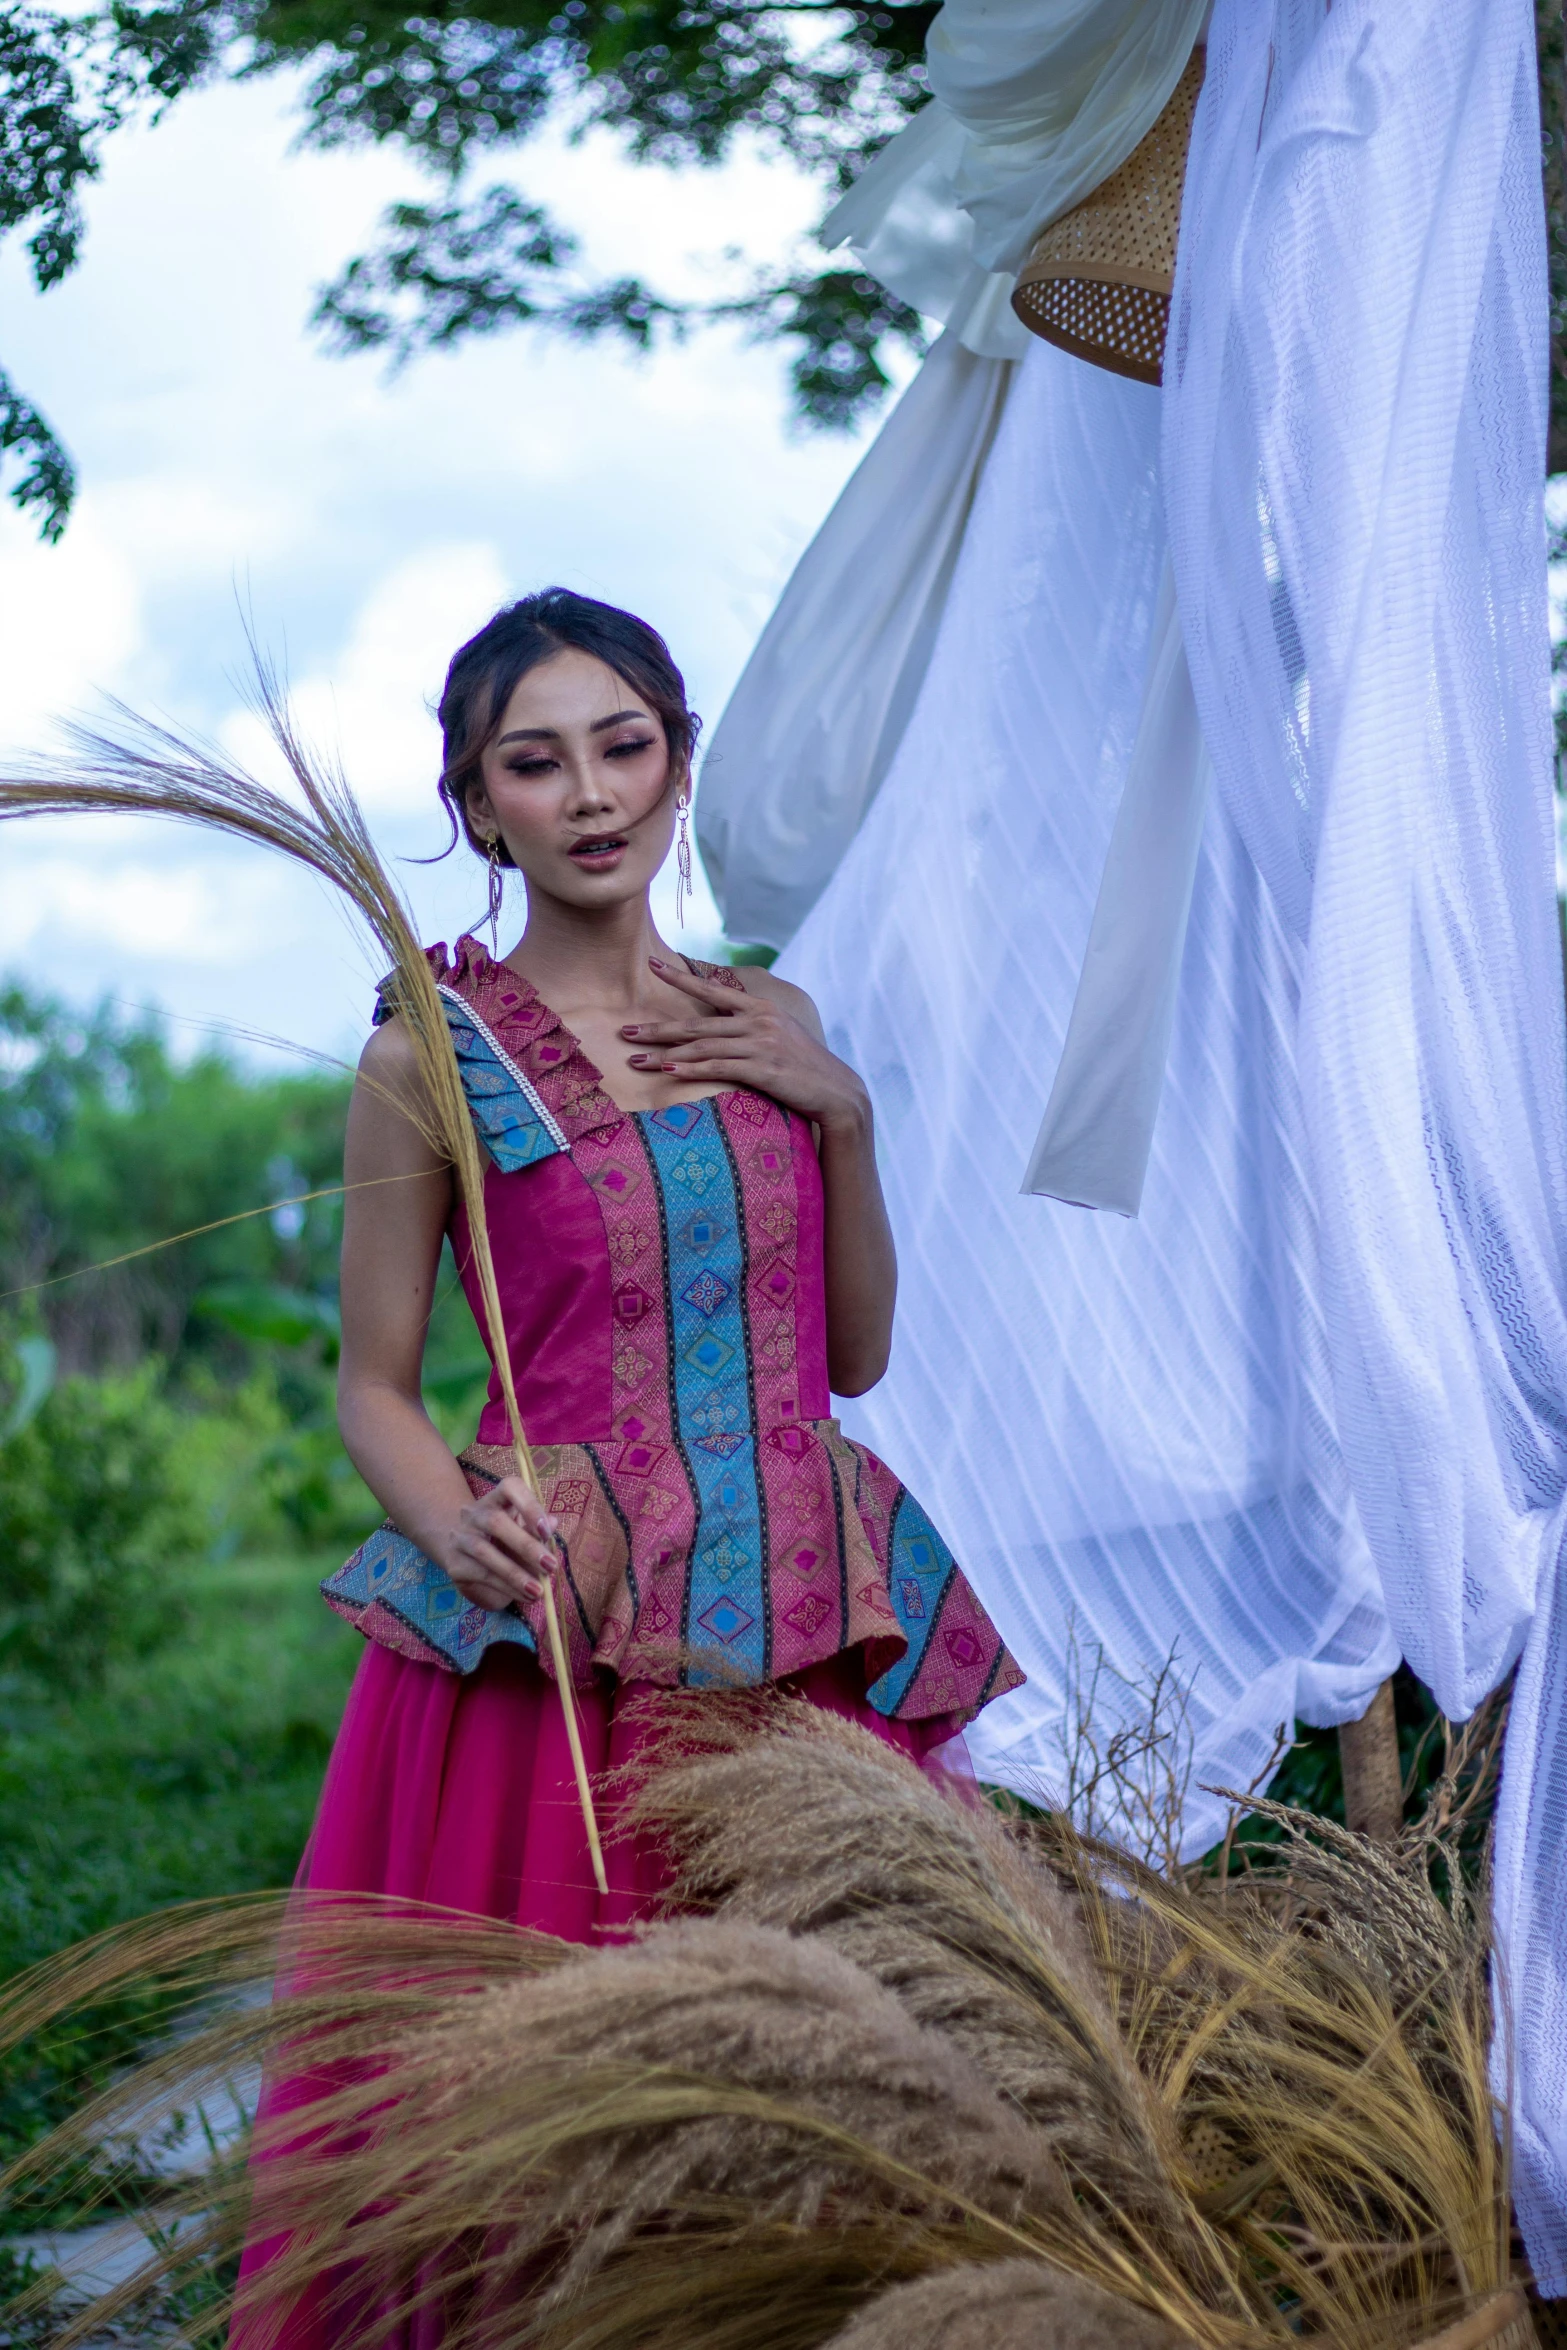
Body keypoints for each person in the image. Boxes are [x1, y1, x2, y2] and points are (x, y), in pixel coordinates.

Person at [305, 586, 1022, 1943]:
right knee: (570, 2043)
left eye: (623, 745)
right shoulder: (429, 1062)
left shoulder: (767, 1017)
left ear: (677, 764)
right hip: (558, 1624)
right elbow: (372, 1383)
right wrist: (447, 1524)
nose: (590, 794)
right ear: (476, 806)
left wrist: (843, 1112)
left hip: (797, 1599)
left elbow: (850, 1360)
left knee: (839, 2043)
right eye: (534, 761)